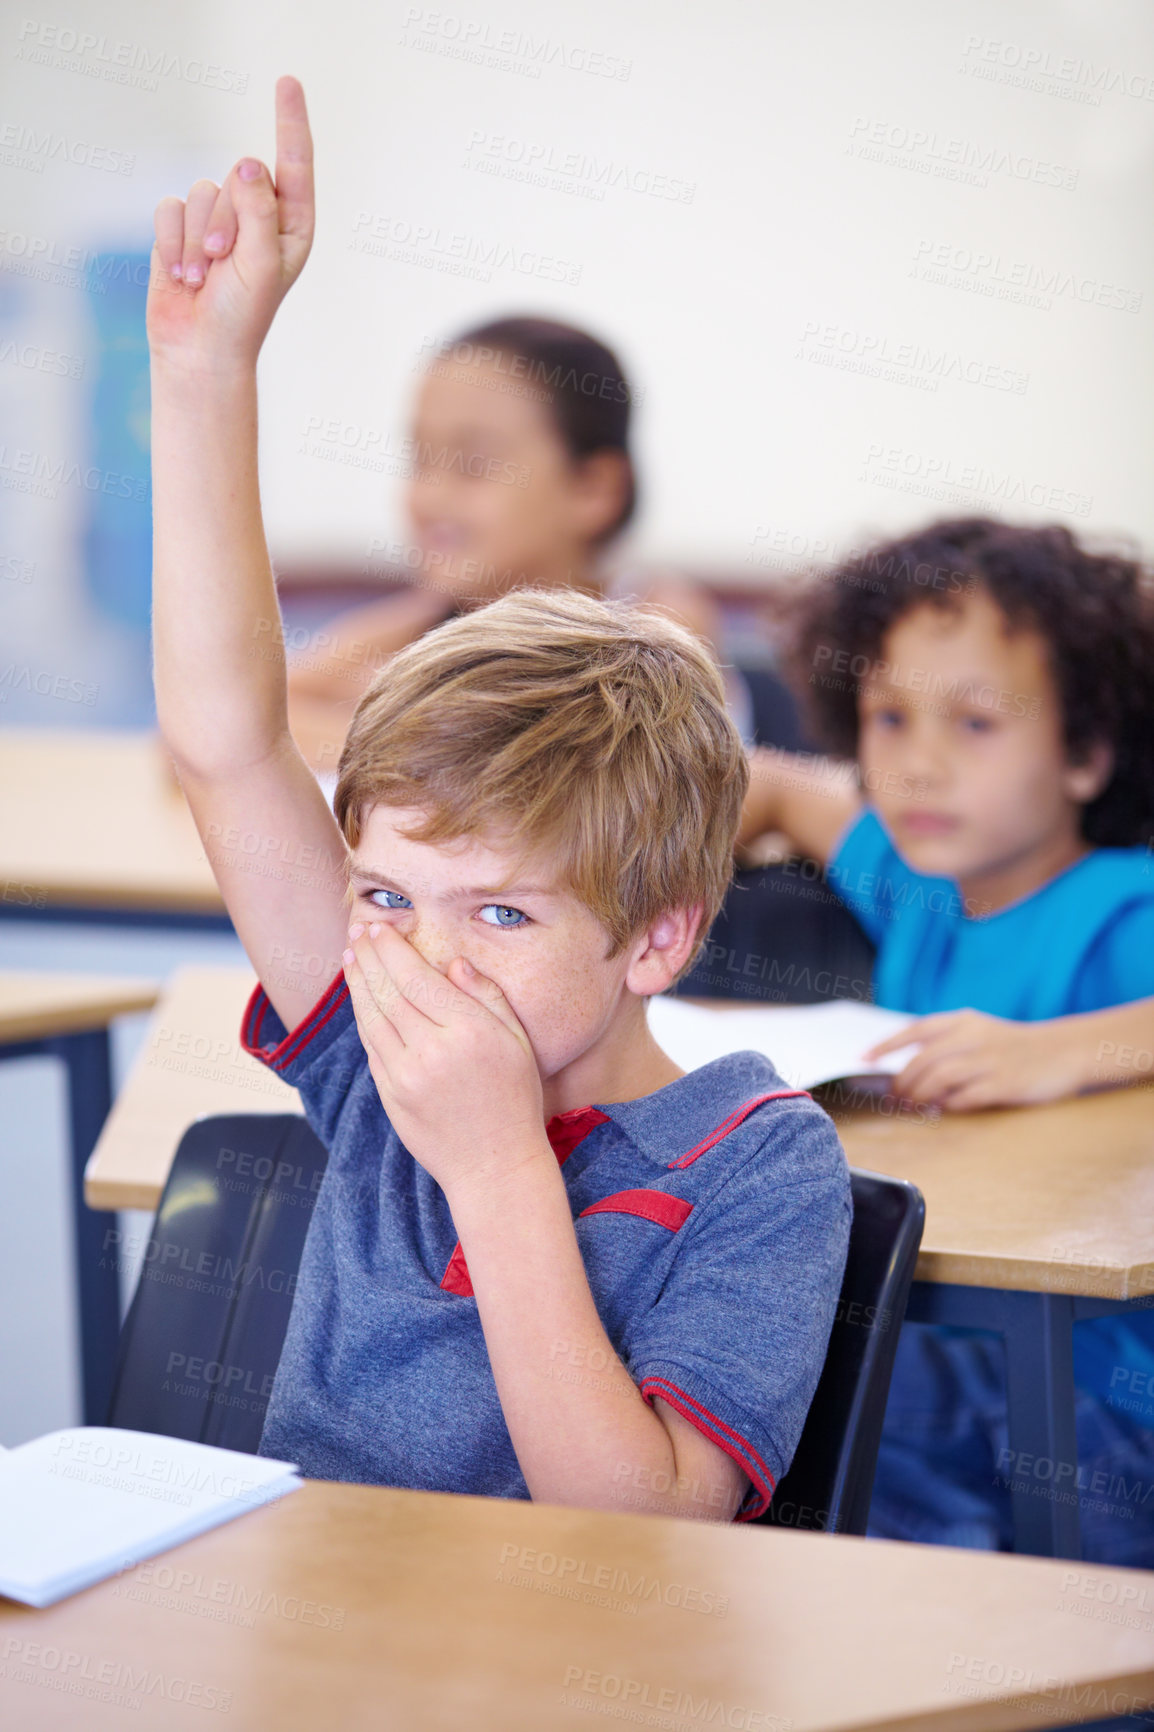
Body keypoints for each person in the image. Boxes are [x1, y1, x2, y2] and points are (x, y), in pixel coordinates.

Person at [145, 76, 851, 1520]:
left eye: (505, 912)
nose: (430, 957)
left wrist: (493, 1167)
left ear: (656, 937)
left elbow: (638, 1534)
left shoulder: (759, 1167)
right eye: (390, 897)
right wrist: (205, 373)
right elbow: (226, 740)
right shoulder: (376, 1035)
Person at [736, 514, 1154, 1560]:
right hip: (961, 1344)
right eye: (885, 717)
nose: (916, 764)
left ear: (1086, 753)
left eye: (973, 724)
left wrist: (1055, 1051)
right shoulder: (920, 887)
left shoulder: (1118, 909)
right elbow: (787, 786)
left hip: (1104, 1400)